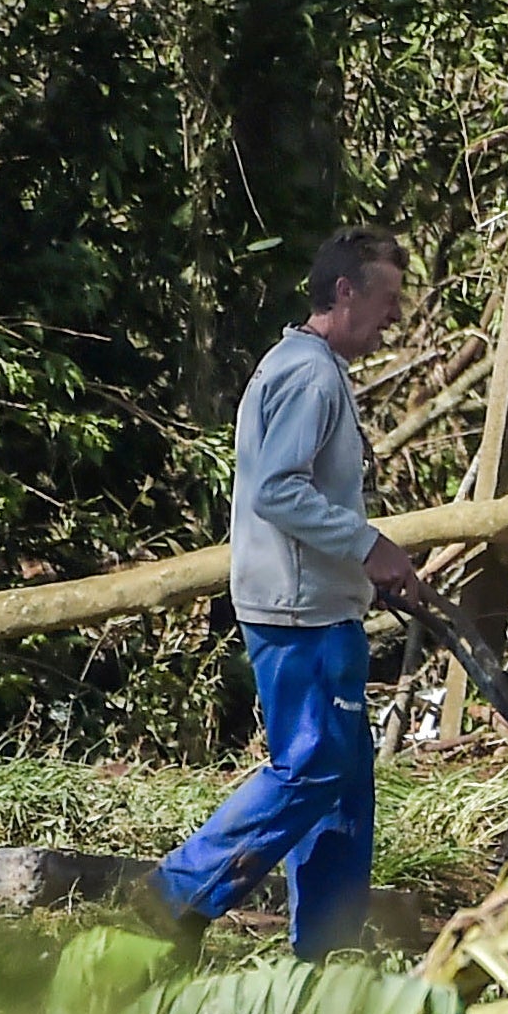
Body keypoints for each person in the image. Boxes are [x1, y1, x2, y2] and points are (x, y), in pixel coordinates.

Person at [157, 228, 425, 956]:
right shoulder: (308, 374)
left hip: (314, 605)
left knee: (342, 792)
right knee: (313, 769)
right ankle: (173, 894)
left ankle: (328, 954)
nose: (394, 316)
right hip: (299, 614)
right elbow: (279, 489)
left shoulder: (305, 366)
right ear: (344, 291)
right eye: (387, 298)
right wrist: (368, 546)